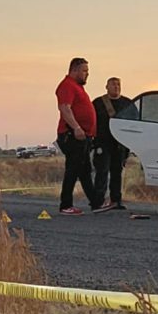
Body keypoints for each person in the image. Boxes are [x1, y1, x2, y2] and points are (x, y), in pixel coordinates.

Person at [56, 58, 113, 215]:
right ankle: (66, 205)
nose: (87, 74)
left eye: (87, 71)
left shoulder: (77, 87)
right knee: (73, 170)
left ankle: (96, 203)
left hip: (83, 136)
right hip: (72, 135)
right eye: (84, 71)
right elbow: (65, 108)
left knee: (84, 170)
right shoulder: (67, 86)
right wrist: (76, 127)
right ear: (74, 70)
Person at [92, 77, 133, 210]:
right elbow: (91, 121)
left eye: (118, 84)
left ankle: (116, 200)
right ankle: (98, 201)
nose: (116, 87)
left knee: (117, 172)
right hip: (102, 143)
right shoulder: (98, 103)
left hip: (120, 144)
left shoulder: (128, 103)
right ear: (106, 87)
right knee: (102, 172)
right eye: (113, 84)